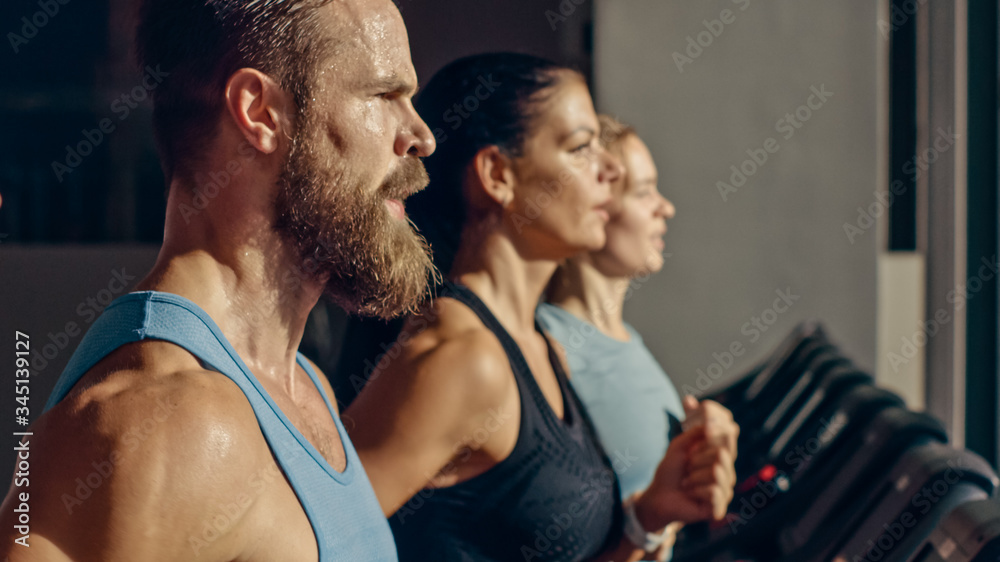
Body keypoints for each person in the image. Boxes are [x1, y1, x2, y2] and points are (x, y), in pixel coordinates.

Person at [0, 0, 436, 560]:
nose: (420, 135)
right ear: (259, 113)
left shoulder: (305, 386)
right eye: (383, 95)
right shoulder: (173, 422)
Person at [342, 53, 738, 562]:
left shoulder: (542, 347)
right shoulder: (463, 360)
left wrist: (650, 518)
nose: (611, 169)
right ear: (497, 175)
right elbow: (318, 537)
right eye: (581, 147)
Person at [538, 116, 733, 559]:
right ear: (596, 203)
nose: (666, 208)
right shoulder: (549, 347)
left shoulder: (626, 339)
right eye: (644, 192)